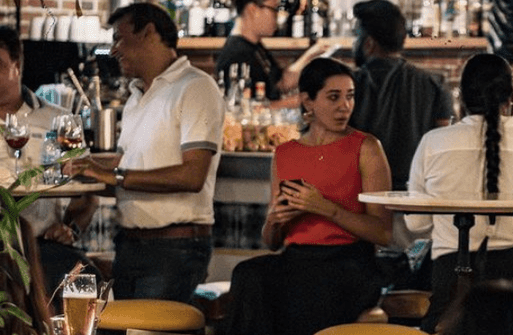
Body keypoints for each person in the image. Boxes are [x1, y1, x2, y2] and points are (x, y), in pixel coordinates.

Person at [219, 57, 393, 335]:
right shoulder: (286, 153)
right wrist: (276, 220)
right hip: (298, 259)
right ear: (307, 102)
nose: (344, 106)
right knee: (248, 274)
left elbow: (382, 233)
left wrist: (325, 208)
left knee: (296, 290)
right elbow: (272, 240)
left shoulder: (366, 148)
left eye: (349, 97)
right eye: (333, 97)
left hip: (350, 263)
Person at [69, 3, 224, 304]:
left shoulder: (196, 87)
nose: (113, 50)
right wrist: (79, 170)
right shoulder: (136, 96)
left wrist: (109, 174)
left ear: (149, 32)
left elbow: (192, 175)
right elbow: (124, 169)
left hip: (174, 247)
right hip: (130, 245)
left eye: (119, 38)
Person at [405, 53, 513, 332]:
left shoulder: (433, 143)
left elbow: (415, 223)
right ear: (511, 98)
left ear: (462, 99)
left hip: (453, 277)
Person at [349, 0, 453, 281]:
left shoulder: (346, 87)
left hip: (360, 213)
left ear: (368, 42)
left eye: (356, 35)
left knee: (364, 296)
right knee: (412, 294)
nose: (354, 42)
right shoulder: (434, 84)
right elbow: (444, 151)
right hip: (415, 212)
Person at [0, 25, 99, 298]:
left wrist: (71, 229)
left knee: (84, 279)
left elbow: (88, 191)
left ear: (16, 66)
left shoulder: (60, 120)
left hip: (43, 249)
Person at [214, 0, 329, 107]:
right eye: (274, 9)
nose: (278, 16)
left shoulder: (255, 47)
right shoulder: (237, 54)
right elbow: (244, 110)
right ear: (253, 10)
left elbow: (281, 82)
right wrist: (296, 101)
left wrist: (312, 54)